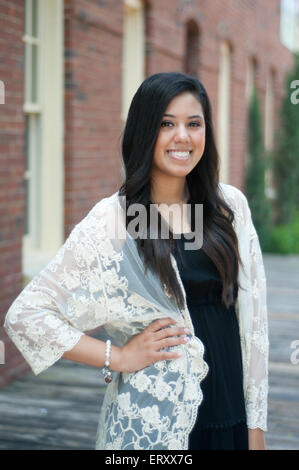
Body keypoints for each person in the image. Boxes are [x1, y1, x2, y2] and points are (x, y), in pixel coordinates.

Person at [4, 72, 269, 450]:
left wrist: (255, 426)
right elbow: (27, 315)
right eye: (166, 124)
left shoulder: (229, 207)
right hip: (154, 422)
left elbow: (254, 322)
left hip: (229, 412)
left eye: (194, 124)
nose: (183, 136)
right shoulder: (113, 219)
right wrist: (120, 356)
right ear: (145, 132)